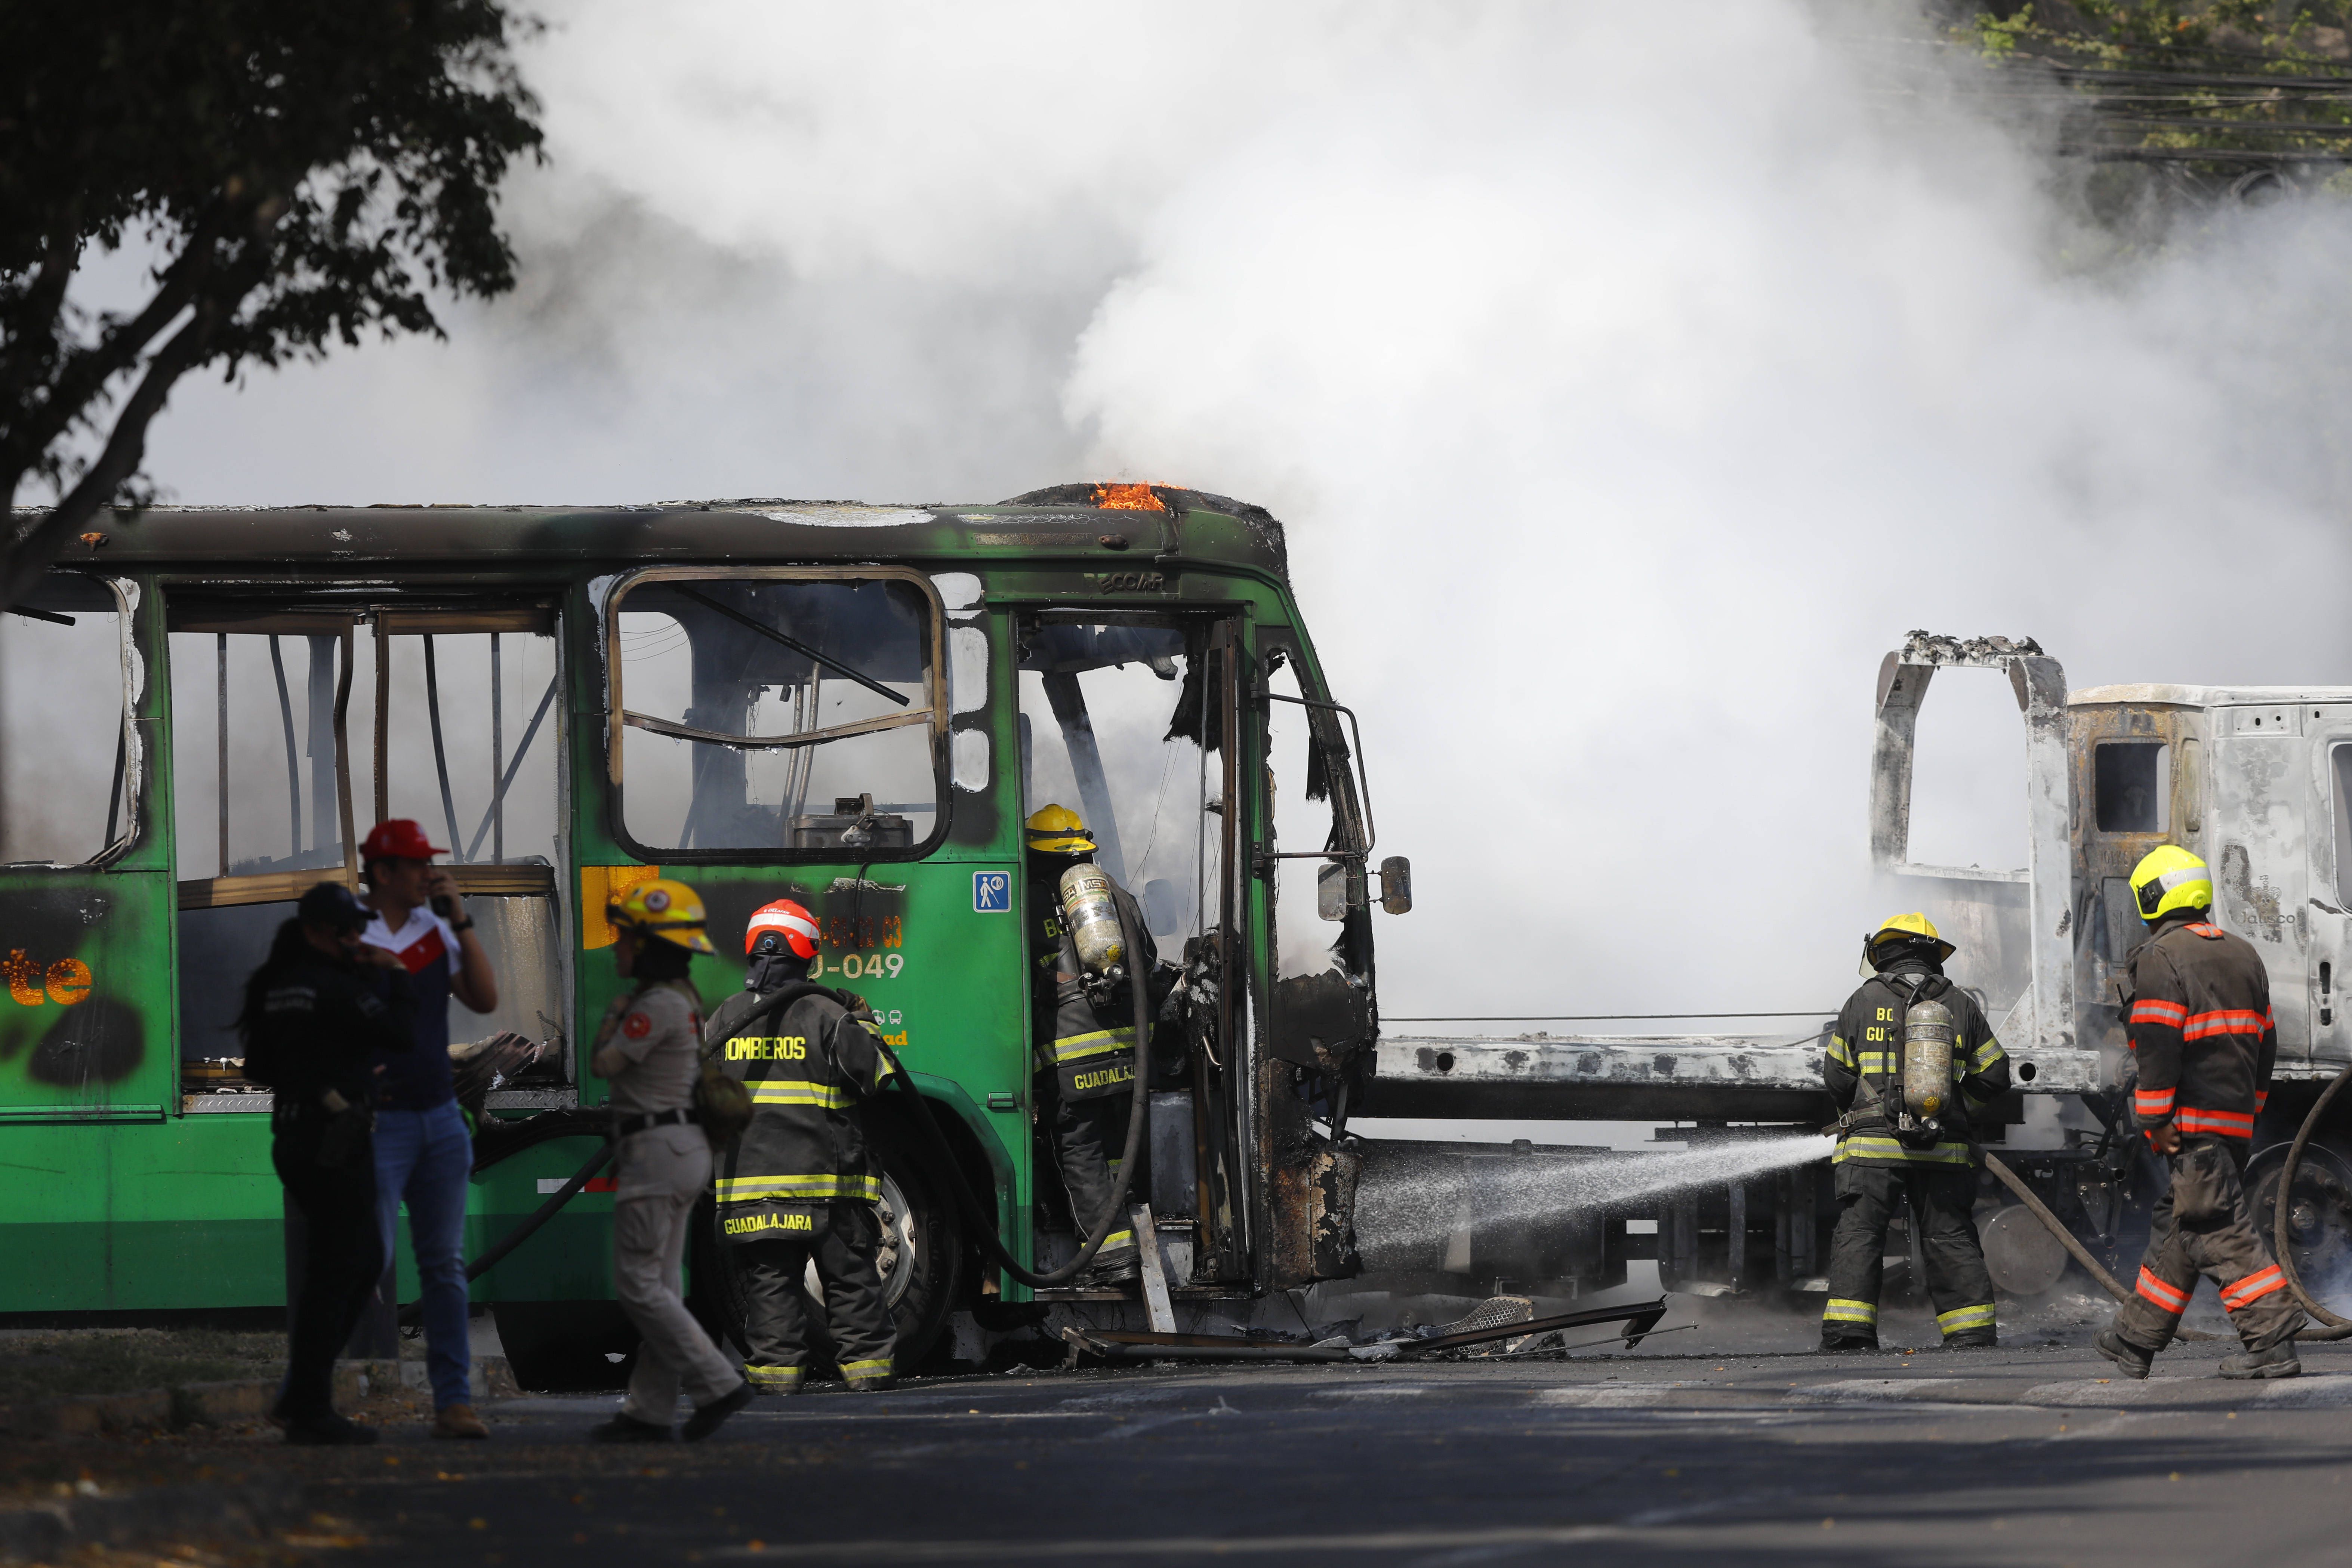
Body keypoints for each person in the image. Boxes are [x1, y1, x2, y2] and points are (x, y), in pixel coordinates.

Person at [2096, 846, 2304, 1380]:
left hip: (2189, 1123)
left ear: (2151, 898)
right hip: (2232, 1123)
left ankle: (2272, 1340)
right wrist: (2250, 1113)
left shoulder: (2161, 958)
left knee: (2215, 1228)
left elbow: (2158, 1045)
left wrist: (2155, 1119)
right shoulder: (2242, 954)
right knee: (2177, 1227)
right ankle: (2133, 1339)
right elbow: (2266, 1047)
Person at [240, 882, 414, 1445]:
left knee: (349, 1265)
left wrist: (317, 1072)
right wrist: (394, 973)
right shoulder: (337, 985)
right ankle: (309, 1404)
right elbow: (399, 1032)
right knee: (344, 1268)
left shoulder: (275, 984)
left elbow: (259, 1068)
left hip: (294, 1135)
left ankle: (303, 1394)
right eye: (347, 931)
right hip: (333, 1140)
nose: (356, 939)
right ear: (318, 930)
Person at [705, 898, 898, 1394]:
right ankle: (868, 1377)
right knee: (851, 1281)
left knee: (770, 1289)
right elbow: (876, 1077)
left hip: (751, 1188)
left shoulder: (722, 1019)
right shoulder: (826, 1012)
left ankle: (777, 1382)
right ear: (809, 952)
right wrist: (866, 1023)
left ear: (752, 949)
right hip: (825, 1185)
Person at [588, 878, 755, 1442]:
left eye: (626, 939)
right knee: (659, 1285)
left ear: (650, 948)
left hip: (657, 1152)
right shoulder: (679, 999)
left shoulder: (652, 1005)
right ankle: (649, 1411)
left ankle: (717, 1383)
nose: (618, 949)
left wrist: (613, 1015)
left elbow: (604, 1066)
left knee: (638, 1286)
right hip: (680, 1149)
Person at [357, 818, 499, 1441]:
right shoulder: (349, 934)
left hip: (439, 1115)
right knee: (367, 1258)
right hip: (379, 1116)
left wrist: (459, 916)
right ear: (384, 874)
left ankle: (453, 1400)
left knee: (444, 1265)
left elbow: (485, 999)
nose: (428, 875)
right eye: (417, 866)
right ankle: (340, 1385)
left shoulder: (435, 930)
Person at [1820, 913, 2009, 1352]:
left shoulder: (1861, 1000)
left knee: (1860, 1234)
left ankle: (1850, 1334)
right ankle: (1970, 1332)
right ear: (1931, 956)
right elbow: (1995, 1073)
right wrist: (1955, 1109)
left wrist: (1863, 1110)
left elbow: (1836, 1074)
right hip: (1942, 1147)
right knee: (1949, 1236)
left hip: (1869, 1149)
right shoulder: (1959, 1004)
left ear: (1884, 952)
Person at [1024, 804, 1156, 1287]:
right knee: (1118, 1150)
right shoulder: (1115, 898)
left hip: (1069, 1063)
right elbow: (1149, 960)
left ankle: (1112, 1258)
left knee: (1079, 1150)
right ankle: (1142, 1240)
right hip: (1126, 1058)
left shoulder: (1027, 904)